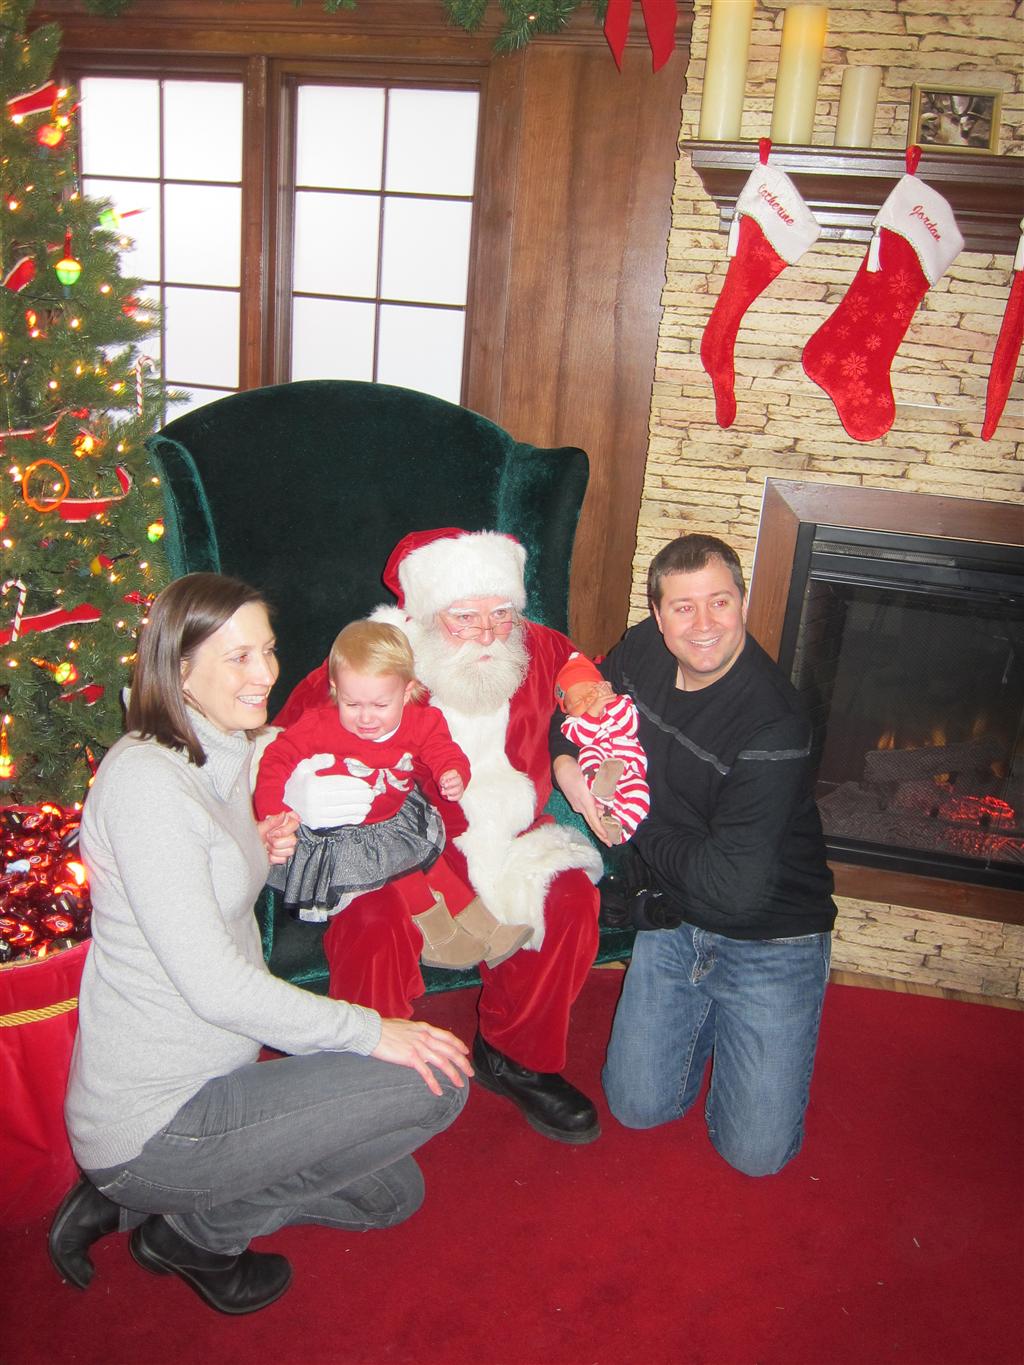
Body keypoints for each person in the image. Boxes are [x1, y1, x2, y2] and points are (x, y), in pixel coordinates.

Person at [48, 573, 470, 1316]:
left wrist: (275, 818)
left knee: (391, 1194)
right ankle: (189, 1234)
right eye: (239, 657)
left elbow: (302, 749)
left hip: (221, 1079)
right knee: (432, 1082)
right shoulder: (145, 785)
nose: (267, 673)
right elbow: (215, 985)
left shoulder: (222, 750)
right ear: (180, 669)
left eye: (268, 650)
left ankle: (147, 1204)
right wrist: (370, 1031)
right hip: (162, 1117)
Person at [275, 528, 605, 1145]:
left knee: (570, 898)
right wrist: (303, 791)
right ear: (427, 615)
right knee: (371, 923)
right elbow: (283, 738)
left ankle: (515, 1057)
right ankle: (369, 1079)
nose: (488, 634)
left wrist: (575, 758)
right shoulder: (378, 656)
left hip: (510, 837)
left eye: (501, 613)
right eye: (464, 618)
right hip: (401, 843)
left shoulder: (537, 647)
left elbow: (587, 685)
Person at [553, 534, 836, 1177]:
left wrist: (629, 820)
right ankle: (701, 1011)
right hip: (677, 916)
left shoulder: (774, 722)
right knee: (636, 1107)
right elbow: (572, 705)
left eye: (720, 602)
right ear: (658, 615)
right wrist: (569, 769)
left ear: (743, 603)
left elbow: (733, 888)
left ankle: (746, 1012)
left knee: (755, 1156)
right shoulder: (642, 650)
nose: (703, 624)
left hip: (771, 932)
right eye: (683, 607)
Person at [254, 619, 532, 970]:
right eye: (352, 704)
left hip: (395, 817)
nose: (366, 718)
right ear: (336, 690)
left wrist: (452, 772)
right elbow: (275, 759)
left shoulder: (422, 721)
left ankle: (487, 928)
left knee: (437, 866)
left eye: (380, 705)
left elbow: (444, 750)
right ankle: (438, 939)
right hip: (345, 835)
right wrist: (273, 811)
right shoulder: (319, 726)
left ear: (406, 692)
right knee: (406, 869)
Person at [553, 651, 650, 844]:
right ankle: (602, 785)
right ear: (567, 712)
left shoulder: (622, 702)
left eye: (592, 691)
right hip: (599, 763)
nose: (588, 700)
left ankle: (620, 828)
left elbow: (631, 727)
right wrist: (592, 713)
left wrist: (612, 702)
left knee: (640, 793)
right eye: (578, 701)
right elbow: (582, 737)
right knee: (589, 754)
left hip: (630, 769)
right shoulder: (571, 723)